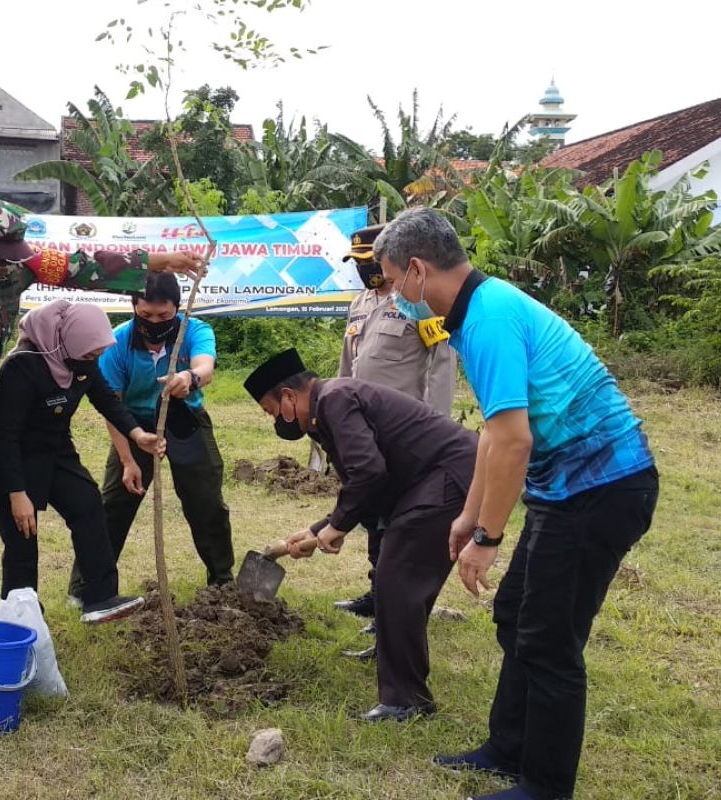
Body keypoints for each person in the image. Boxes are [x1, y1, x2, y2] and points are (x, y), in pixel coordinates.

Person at [374, 208, 659, 800]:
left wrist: (488, 539)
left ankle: (545, 787)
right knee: (515, 616)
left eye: (394, 279)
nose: (395, 294)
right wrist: (468, 514)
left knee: (551, 641)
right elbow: (492, 432)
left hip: (602, 489)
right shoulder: (475, 313)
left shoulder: (490, 320)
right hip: (566, 487)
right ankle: (507, 749)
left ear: (419, 270)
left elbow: (514, 441)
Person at [0, 195, 205, 682]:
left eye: (16, 258)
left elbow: (82, 266)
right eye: (0, 258)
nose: (12, 268)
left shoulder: (15, 265)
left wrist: (162, 261)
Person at [243, 348, 477, 722]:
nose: (279, 421)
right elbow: (364, 481)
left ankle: (407, 701)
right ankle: (394, 658)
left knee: (398, 576)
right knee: (397, 575)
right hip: (431, 479)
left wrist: (337, 526)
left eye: (273, 411)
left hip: (447, 476)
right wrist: (319, 528)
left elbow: (369, 473)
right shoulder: (327, 406)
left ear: (288, 396)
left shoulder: (335, 399)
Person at [0, 299, 163, 624]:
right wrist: (17, 494)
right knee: (23, 539)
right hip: (10, 461)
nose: (94, 360)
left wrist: (137, 435)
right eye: (90, 354)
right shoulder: (22, 367)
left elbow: (106, 398)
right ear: (69, 340)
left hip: (54, 450)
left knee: (88, 504)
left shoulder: (81, 359)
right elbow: (4, 434)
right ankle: (21, 620)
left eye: (97, 354)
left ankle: (100, 597)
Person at [67, 272, 234, 604]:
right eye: (145, 315)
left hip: (184, 417)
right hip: (132, 423)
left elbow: (206, 366)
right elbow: (110, 405)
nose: (154, 322)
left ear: (177, 309)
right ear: (133, 307)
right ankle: (86, 588)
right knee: (113, 504)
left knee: (206, 500)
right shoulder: (117, 343)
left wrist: (190, 377)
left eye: (163, 316)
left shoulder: (195, 331)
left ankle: (222, 581)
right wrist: (129, 461)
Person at [335, 223, 457, 626]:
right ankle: (377, 593)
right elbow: (346, 369)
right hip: (363, 431)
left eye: (368, 262)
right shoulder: (360, 303)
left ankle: (398, 606)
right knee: (374, 513)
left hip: (407, 433)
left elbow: (441, 364)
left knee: (400, 523)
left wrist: (436, 428)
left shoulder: (415, 305)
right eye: (356, 264)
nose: (363, 271)